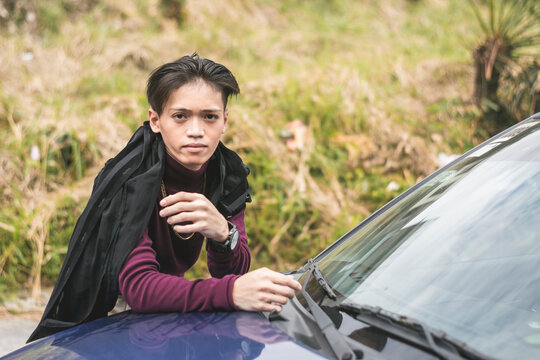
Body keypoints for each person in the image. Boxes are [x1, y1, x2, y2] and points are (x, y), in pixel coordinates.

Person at [28, 53, 301, 342]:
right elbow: (139, 287)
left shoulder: (227, 172)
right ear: (156, 120)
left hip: (168, 304)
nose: (196, 131)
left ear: (224, 121)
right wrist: (232, 292)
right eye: (180, 116)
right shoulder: (132, 179)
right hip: (109, 314)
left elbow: (232, 271)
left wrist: (223, 233)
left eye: (209, 117)